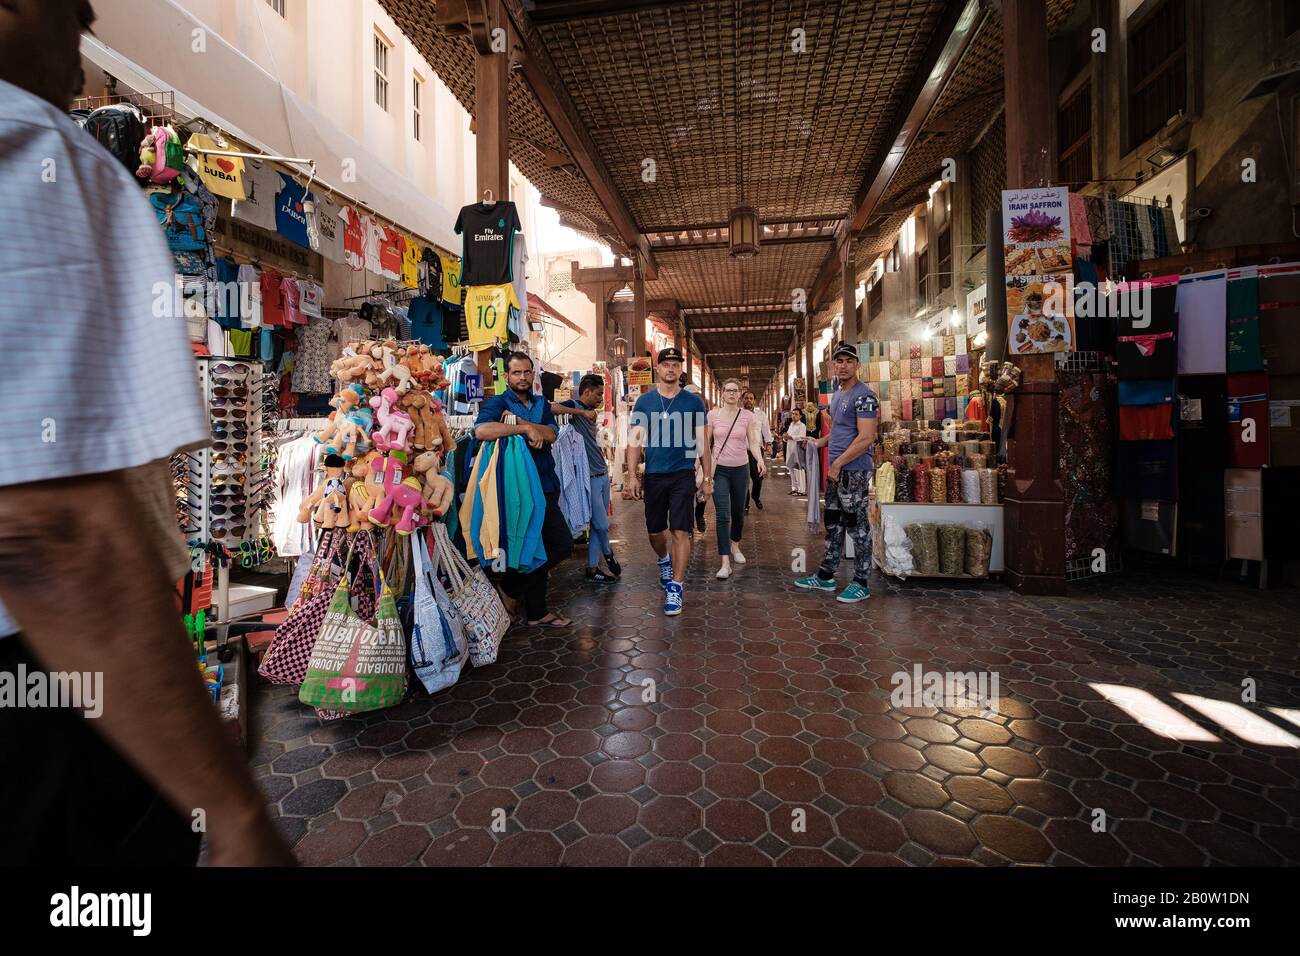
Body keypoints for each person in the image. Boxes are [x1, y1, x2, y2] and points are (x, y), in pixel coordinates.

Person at [0, 0, 293, 866]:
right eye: (72, 12)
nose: (83, 40)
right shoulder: (35, 152)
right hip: (51, 700)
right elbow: (48, 533)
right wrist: (234, 815)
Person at [475, 352, 574, 626]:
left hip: (545, 484)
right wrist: (527, 431)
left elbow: (552, 434)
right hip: (515, 488)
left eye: (527, 372)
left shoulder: (541, 404)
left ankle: (510, 589)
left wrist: (522, 424)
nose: (522, 377)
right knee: (531, 545)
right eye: (516, 373)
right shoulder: (498, 402)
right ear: (506, 376)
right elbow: (482, 431)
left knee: (561, 545)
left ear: (533, 374)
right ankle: (537, 612)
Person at [625, 348, 711, 616]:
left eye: (675, 364)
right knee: (654, 531)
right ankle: (664, 559)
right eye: (666, 364)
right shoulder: (645, 403)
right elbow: (635, 441)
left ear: (680, 370)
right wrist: (631, 476)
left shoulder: (694, 403)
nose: (671, 369)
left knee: (681, 531)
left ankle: (676, 586)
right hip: (654, 475)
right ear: (658, 369)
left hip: (683, 474)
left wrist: (707, 477)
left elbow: (703, 443)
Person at [794, 342, 880, 603]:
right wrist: (818, 442)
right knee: (833, 523)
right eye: (839, 361)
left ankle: (861, 581)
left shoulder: (865, 395)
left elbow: (866, 438)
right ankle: (826, 575)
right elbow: (841, 431)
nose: (843, 365)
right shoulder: (839, 393)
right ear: (833, 366)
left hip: (852, 470)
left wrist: (838, 463)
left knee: (856, 525)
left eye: (848, 361)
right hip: (837, 470)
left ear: (858, 365)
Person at [552, 373, 621, 583]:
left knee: (598, 523)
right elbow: (551, 407)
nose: (601, 398)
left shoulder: (592, 412)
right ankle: (608, 554)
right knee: (600, 525)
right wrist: (579, 411)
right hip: (588, 476)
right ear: (587, 391)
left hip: (601, 474)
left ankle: (592, 569)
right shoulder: (574, 406)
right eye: (599, 394)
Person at [706, 379, 765, 579]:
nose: (732, 393)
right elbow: (705, 444)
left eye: (735, 391)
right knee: (722, 514)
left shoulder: (747, 416)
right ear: (722, 393)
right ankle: (725, 561)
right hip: (720, 469)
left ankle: (735, 545)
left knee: (738, 513)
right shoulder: (712, 415)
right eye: (728, 390)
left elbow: (753, 441)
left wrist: (760, 460)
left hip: (741, 469)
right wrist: (701, 469)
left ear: (739, 394)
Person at [741, 390, 771, 513]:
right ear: (742, 400)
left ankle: (756, 496)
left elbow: (766, 430)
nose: (748, 400)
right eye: (746, 398)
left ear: (754, 400)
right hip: (741, 451)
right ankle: (745, 505)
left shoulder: (761, 415)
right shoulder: (738, 414)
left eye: (751, 398)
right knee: (744, 479)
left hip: (756, 451)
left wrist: (768, 443)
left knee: (758, 478)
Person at [784, 407, 808, 496]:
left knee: (799, 470)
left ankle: (801, 490)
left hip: (797, 449)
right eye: (793, 414)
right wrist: (785, 437)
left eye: (796, 414)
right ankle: (794, 488)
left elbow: (801, 437)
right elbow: (788, 436)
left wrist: (790, 437)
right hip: (790, 448)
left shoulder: (802, 426)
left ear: (800, 416)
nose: (793, 416)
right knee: (791, 469)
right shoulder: (791, 424)